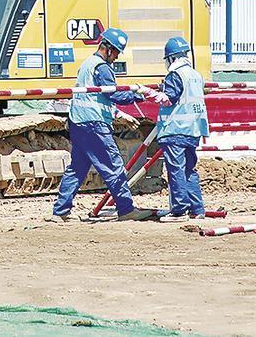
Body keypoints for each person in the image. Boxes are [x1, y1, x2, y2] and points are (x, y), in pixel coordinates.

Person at [52, 26, 153, 221]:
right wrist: (139, 94)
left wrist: (117, 114)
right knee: (113, 165)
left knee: (78, 168)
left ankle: (60, 212)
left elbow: (97, 99)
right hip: (94, 125)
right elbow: (113, 93)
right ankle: (126, 209)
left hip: (78, 123)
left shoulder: (87, 65)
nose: (116, 57)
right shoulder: (102, 67)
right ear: (107, 48)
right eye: (115, 52)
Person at [154, 35, 210, 222]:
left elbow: (168, 98)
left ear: (170, 58)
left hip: (175, 129)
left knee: (176, 170)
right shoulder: (195, 75)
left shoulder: (175, 75)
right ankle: (197, 208)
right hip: (192, 130)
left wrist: (151, 93)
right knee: (189, 170)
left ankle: (178, 210)